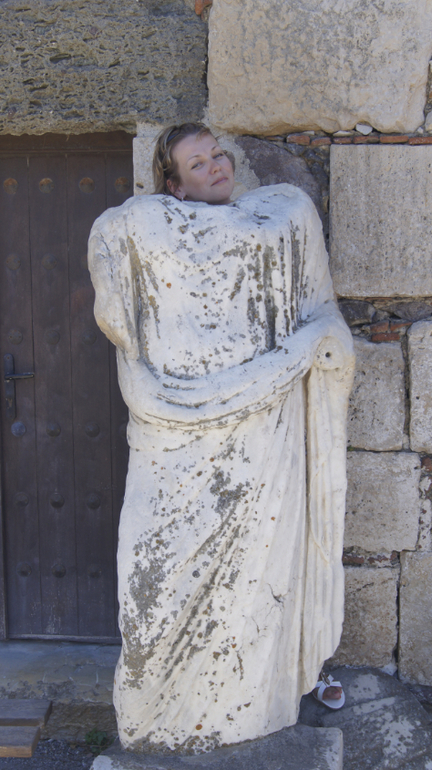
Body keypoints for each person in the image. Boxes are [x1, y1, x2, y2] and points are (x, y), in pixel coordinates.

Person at [88, 122, 354, 754]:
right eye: (197, 163)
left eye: (217, 155)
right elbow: (116, 296)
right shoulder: (144, 225)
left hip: (262, 444)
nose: (215, 166)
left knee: (256, 586)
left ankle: (251, 706)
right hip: (170, 440)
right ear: (174, 185)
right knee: (153, 589)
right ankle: (153, 719)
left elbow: (323, 315)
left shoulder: (279, 219)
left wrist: (323, 343)